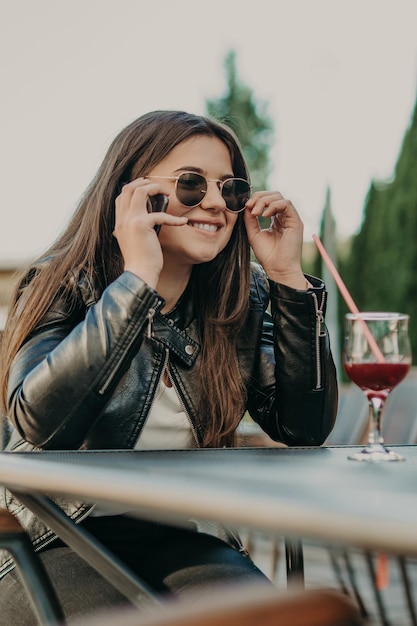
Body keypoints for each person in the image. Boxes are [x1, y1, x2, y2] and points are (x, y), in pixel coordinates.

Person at [0, 110, 338, 623]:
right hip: (51, 537)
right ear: (130, 194)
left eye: (230, 189)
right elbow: (41, 424)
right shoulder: (62, 284)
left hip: (177, 536)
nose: (213, 203)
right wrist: (138, 281)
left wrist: (288, 278)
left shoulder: (241, 299)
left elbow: (303, 426)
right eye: (190, 184)